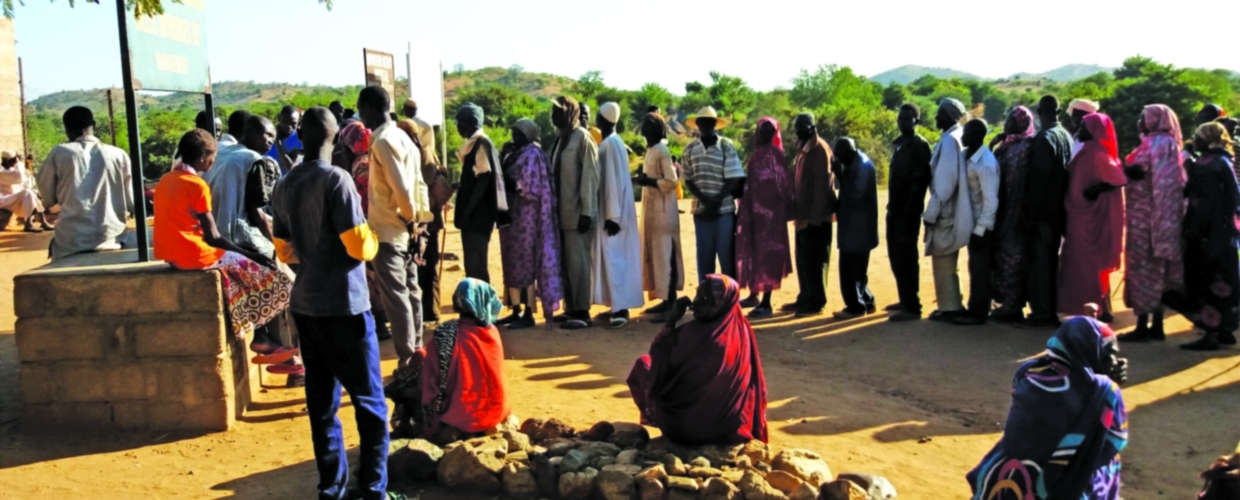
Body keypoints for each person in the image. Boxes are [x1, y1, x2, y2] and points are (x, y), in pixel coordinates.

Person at [270, 107, 389, 499]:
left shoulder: (285, 185)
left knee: (322, 406)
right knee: (370, 403)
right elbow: (358, 247)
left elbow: (285, 251)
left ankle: (331, 488)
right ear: (336, 136)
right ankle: (373, 488)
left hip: (306, 304)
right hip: (346, 306)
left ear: (299, 137)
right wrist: (373, 241)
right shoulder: (337, 180)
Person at [966, 316, 1129, 500]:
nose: (1115, 361)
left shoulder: (1029, 374)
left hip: (1014, 477)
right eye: (1109, 353)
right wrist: (1110, 384)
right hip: (1070, 486)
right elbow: (1114, 442)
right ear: (1090, 351)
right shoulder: (1104, 391)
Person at [152, 128, 291, 339]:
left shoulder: (165, 181)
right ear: (202, 158)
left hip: (172, 256)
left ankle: (253, 335)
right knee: (280, 282)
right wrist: (251, 256)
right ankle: (261, 337)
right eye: (212, 157)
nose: (213, 162)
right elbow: (213, 237)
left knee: (236, 278)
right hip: (194, 255)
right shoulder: (197, 185)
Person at [626, 274, 767, 445]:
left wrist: (671, 322)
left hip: (687, 428)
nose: (696, 303)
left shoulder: (694, 334)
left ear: (720, 304)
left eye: (705, 299)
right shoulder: (742, 328)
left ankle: (668, 424)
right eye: (698, 295)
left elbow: (659, 359)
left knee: (644, 365)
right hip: (730, 428)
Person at [386, 278, 511, 443]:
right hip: (494, 412)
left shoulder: (446, 333)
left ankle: (410, 427)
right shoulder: (492, 333)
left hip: (457, 417)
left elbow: (432, 379)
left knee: (404, 385)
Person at [361, 85, 433, 369]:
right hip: (407, 227)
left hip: (390, 229)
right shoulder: (402, 136)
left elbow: (402, 189)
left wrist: (409, 217)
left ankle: (408, 359)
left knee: (397, 296)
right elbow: (418, 184)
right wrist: (418, 222)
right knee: (410, 291)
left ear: (368, 108)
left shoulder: (383, 141)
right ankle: (416, 351)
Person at [1118, 104, 1186, 342]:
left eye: (1144, 117)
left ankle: (1142, 326)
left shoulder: (1154, 145)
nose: (1141, 121)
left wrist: (1125, 168)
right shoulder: (1171, 144)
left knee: (1144, 270)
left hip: (1145, 220)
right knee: (1159, 271)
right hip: (1164, 220)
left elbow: (1140, 172)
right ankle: (1156, 325)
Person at [1172, 123, 1239, 351]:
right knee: (1223, 282)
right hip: (1225, 233)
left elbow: (1197, 198)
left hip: (1206, 234)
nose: (1195, 140)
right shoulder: (1223, 161)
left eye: (1198, 136)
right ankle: (1224, 330)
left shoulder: (1209, 164)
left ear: (1207, 139)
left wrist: (1194, 229)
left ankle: (1210, 334)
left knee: (1205, 281)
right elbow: (1233, 198)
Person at [37, 106, 133, 260]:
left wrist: (53, 204)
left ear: (67, 129)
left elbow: (45, 189)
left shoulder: (59, 153)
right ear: (93, 125)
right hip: (112, 238)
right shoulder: (118, 154)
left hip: (71, 242)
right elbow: (131, 200)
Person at [496, 118, 562, 329]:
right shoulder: (517, 153)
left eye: (518, 134)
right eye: (513, 133)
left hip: (527, 219)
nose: (514, 137)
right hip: (514, 220)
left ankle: (527, 312)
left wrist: (505, 176)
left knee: (524, 265)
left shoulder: (532, 154)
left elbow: (527, 188)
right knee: (512, 262)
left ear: (528, 135)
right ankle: (515, 309)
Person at [1059, 113, 1126, 320]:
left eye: (1086, 125)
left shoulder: (1098, 153)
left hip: (1089, 218)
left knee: (1089, 264)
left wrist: (1095, 190)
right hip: (1078, 214)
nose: (1081, 128)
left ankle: (1095, 308)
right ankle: (1090, 307)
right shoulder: (1087, 150)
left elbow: (1117, 179)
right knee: (1080, 262)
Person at [734, 117, 793, 319]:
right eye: (762, 130)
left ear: (775, 133)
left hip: (771, 219)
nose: (765, 134)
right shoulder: (756, 155)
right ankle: (753, 295)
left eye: (769, 130)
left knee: (769, 257)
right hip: (753, 216)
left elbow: (784, 187)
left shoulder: (777, 156)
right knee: (754, 253)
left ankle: (766, 303)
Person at [590, 102, 643, 328]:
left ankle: (621, 308)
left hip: (614, 212)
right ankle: (615, 304)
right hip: (614, 210)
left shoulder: (611, 144)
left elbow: (612, 181)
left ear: (603, 120)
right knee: (614, 258)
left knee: (616, 259)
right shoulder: (615, 142)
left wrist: (613, 216)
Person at [550, 96, 600, 329]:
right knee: (566, 264)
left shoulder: (583, 138)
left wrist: (587, 212)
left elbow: (590, 176)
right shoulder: (561, 139)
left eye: (558, 112)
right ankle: (571, 308)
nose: (554, 116)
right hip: (560, 214)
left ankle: (582, 311)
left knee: (578, 263)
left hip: (578, 213)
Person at [1024, 95, 1073, 328]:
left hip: (1044, 211)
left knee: (1041, 262)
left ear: (1038, 111)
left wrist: (1030, 215)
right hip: (1060, 209)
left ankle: (1043, 312)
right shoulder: (1065, 135)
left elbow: (1038, 181)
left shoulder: (1045, 139)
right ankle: (1050, 309)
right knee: (1052, 261)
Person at [682, 106, 746, 284]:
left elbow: (734, 178)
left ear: (715, 124)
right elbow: (688, 180)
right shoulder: (690, 149)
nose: (706, 126)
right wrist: (705, 199)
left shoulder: (726, 146)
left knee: (727, 257)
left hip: (723, 210)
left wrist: (716, 200)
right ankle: (706, 299)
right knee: (704, 258)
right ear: (698, 125)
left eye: (710, 122)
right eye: (703, 122)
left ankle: (730, 300)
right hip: (701, 212)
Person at [923, 98, 973, 322]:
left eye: (939, 113)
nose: (936, 117)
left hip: (947, 210)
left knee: (943, 258)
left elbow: (944, 183)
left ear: (949, 116)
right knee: (948, 260)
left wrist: (931, 213)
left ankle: (951, 307)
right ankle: (949, 304)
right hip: (955, 207)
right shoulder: (957, 136)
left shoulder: (950, 140)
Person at [785, 112, 837, 317]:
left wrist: (812, 218)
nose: (798, 131)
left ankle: (816, 302)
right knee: (803, 260)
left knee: (816, 261)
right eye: (796, 127)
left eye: (802, 127)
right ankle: (805, 297)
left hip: (817, 218)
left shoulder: (818, 150)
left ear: (812, 127)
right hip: (803, 215)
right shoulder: (803, 147)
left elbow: (821, 188)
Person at [634, 112, 685, 322]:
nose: (644, 131)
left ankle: (671, 302)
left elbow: (671, 181)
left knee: (666, 256)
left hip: (664, 212)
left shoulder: (662, 151)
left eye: (648, 127)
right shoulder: (652, 150)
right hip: (654, 211)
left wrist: (651, 182)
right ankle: (664, 300)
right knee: (658, 256)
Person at [990, 106, 1037, 323]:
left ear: (1020, 123)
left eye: (1010, 119)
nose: (1006, 122)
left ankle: (1013, 307)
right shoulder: (1008, 145)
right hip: (1003, 210)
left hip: (1015, 212)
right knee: (1003, 257)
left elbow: (1016, 183)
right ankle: (1006, 304)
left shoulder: (1024, 148)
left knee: (1013, 258)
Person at [886, 104, 932, 322]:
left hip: (908, 212)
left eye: (907, 119)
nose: (902, 122)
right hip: (894, 210)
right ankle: (904, 298)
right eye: (900, 118)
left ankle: (912, 305)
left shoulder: (920, 146)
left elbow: (919, 183)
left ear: (916, 121)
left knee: (906, 257)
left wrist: (907, 212)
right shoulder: (900, 145)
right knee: (896, 255)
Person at [454, 103, 508, 283]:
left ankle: (482, 308)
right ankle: (475, 306)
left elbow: (484, 180)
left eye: (460, 122)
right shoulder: (473, 144)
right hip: (472, 216)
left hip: (478, 216)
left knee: (477, 264)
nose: (458, 127)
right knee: (472, 263)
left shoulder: (481, 144)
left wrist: (468, 211)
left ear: (472, 123)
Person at [955, 119, 999, 325]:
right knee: (975, 266)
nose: (962, 136)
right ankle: (976, 307)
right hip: (974, 222)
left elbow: (991, 200)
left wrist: (981, 229)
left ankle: (978, 312)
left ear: (977, 136)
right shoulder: (969, 157)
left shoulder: (986, 163)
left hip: (983, 225)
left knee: (981, 268)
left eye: (966, 133)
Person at [832, 137, 879, 319]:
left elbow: (854, 196)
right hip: (861, 228)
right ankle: (867, 300)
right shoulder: (860, 161)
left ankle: (855, 307)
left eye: (839, 156)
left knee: (849, 270)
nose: (837, 159)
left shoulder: (860, 167)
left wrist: (839, 175)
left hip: (856, 228)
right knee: (859, 270)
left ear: (847, 152)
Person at [1, 150, 51, 232]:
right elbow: (19, 178)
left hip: (14, 200)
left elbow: (22, 180)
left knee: (32, 192)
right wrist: (19, 163)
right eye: (13, 160)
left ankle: (42, 221)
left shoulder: (11, 169)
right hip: (4, 200)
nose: (15, 162)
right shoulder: (2, 172)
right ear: (6, 160)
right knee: (27, 192)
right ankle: (29, 223)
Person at [401, 98, 440, 167]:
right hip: (428, 159)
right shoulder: (427, 124)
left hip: (413, 160)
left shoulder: (405, 124)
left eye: (405, 109)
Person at [267, 105, 303, 173]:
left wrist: (278, 143)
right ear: (279, 118)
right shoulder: (267, 137)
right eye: (285, 121)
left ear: (298, 122)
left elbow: (292, 169)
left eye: (293, 123)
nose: (289, 126)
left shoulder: (301, 139)